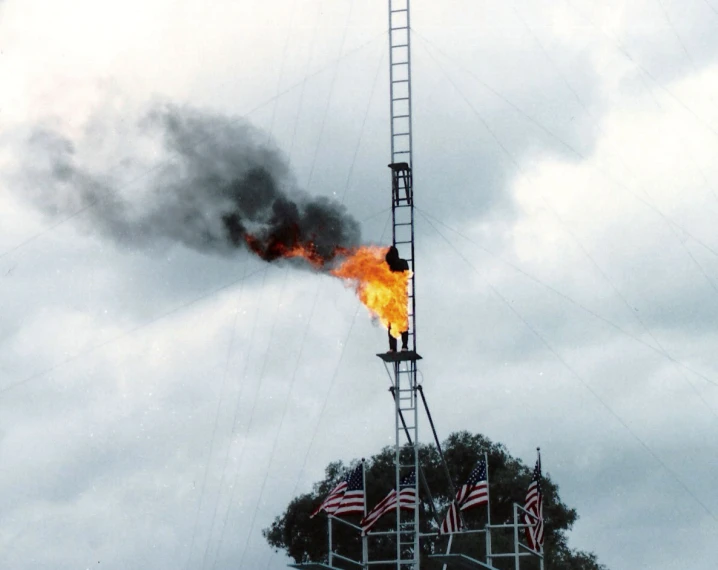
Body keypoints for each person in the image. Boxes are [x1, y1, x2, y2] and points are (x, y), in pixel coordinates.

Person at [385, 245, 410, 352]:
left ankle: (404, 345)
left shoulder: (402, 263)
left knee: (402, 322)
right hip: (391, 298)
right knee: (391, 324)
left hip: (400, 296)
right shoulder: (387, 266)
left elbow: (405, 272)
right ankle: (392, 347)